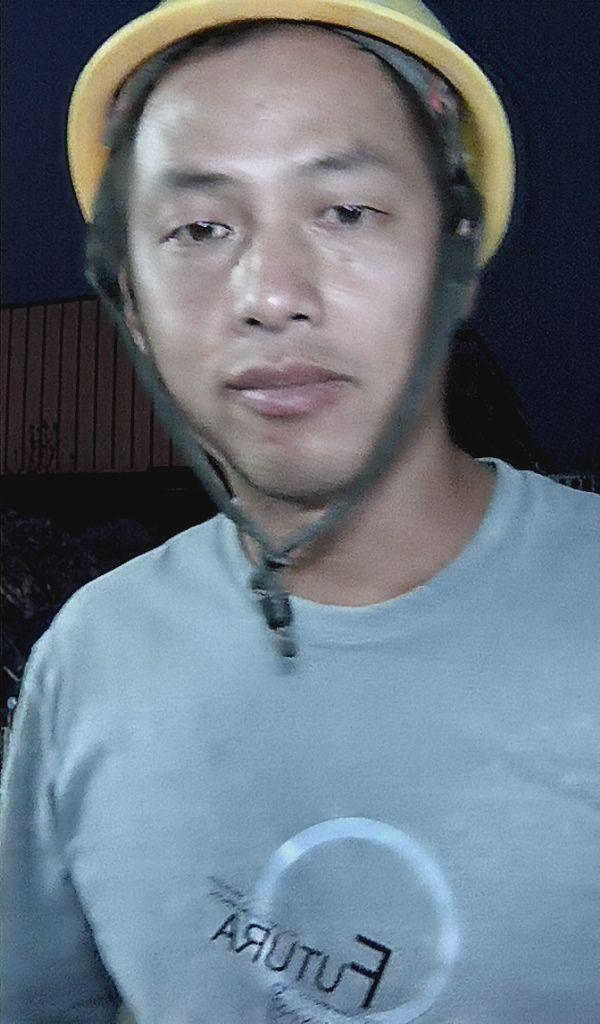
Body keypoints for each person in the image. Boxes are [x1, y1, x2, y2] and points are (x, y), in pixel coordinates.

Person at [1, 1, 597, 1022]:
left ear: (455, 259)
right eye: (199, 228)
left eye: (346, 211)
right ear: (133, 307)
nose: (270, 293)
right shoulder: (88, 658)